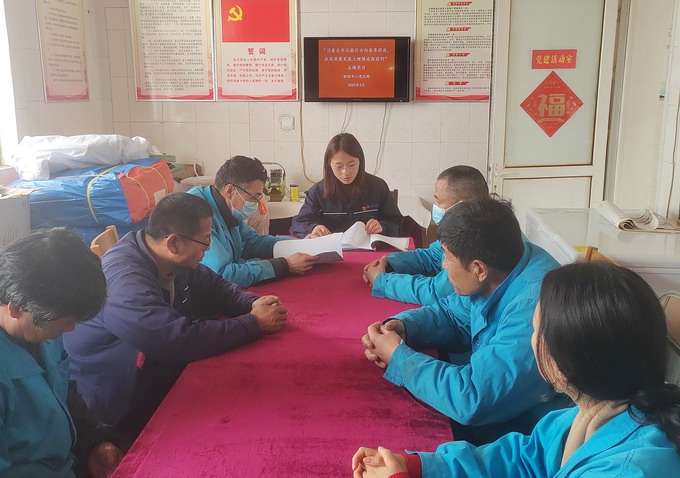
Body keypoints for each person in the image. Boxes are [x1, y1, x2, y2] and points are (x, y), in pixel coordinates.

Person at [353, 262, 680, 478]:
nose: (530, 341)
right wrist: (418, 466)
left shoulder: (629, 470)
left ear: (569, 361)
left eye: (535, 330)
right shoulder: (583, 416)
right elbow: (523, 460)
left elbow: (474, 400)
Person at [64, 193, 288, 443]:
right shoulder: (125, 281)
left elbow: (212, 285)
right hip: (115, 405)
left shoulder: (161, 254)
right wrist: (253, 323)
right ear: (174, 243)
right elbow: (175, 340)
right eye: (205, 242)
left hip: (150, 372)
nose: (207, 250)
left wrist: (252, 303)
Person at [361, 197, 567, 445]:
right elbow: (453, 313)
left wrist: (399, 358)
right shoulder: (507, 263)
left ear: (479, 269)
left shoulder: (533, 310)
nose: (443, 266)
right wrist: (404, 326)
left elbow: (473, 398)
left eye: (447, 258)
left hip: (527, 439)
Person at [0, 228, 123, 477]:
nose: (70, 330)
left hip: (66, 462)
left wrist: (93, 442)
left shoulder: (41, 326)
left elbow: (63, 391)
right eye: (62, 322)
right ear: (16, 308)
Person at [363, 165, 488, 305]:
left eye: (439, 201)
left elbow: (436, 292)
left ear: (461, 206)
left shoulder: (475, 238)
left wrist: (382, 281)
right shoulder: (466, 225)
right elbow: (433, 256)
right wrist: (388, 263)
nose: (436, 206)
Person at [189, 155, 318, 288]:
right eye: (253, 198)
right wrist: (284, 265)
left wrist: (301, 245)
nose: (255, 204)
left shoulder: (228, 210)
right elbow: (223, 275)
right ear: (230, 191)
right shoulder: (196, 213)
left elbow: (252, 242)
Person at [290, 133, 403, 238]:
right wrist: (313, 228)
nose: (346, 172)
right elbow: (298, 223)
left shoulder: (378, 187)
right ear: (329, 164)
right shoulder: (318, 192)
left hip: (370, 249)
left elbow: (396, 222)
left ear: (360, 161)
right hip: (331, 250)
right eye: (339, 166)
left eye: (352, 165)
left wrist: (382, 226)